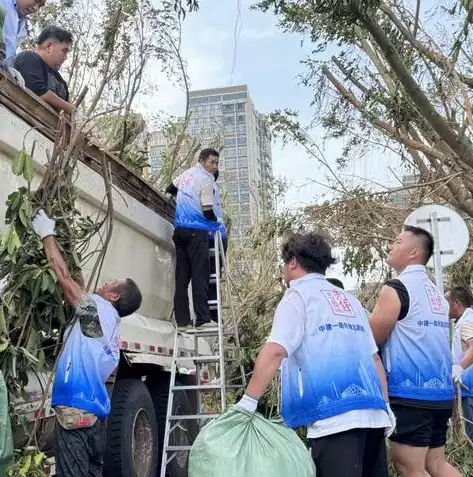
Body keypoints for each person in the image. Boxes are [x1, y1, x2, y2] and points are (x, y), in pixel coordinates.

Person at [236, 232, 395, 477]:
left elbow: (275, 350)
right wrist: (385, 405)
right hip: (373, 415)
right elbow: (374, 358)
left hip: (334, 419)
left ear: (293, 262)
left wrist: (248, 401)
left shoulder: (298, 296)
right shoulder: (349, 300)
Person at [31, 210, 143, 477]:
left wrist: (47, 235)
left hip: (75, 413)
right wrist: (66, 243)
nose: (105, 282)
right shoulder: (109, 324)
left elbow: (66, 281)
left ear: (114, 295)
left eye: (111, 283)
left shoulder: (97, 311)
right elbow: (79, 283)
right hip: (95, 419)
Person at [369, 225, 458, 477]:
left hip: (410, 394)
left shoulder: (396, 288)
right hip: (440, 394)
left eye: (397, 242)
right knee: (436, 465)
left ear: (414, 252)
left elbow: (368, 341)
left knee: (410, 469)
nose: (390, 246)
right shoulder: (436, 296)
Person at [166, 148, 222, 332]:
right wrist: (217, 221)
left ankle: (182, 321)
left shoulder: (186, 174)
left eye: (216, 163)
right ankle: (203, 318)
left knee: (182, 277)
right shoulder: (206, 180)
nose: (214, 166)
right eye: (211, 162)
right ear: (202, 160)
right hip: (197, 232)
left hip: (179, 231)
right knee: (200, 275)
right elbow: (207, 211)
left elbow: (169, 189)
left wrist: (184, 203)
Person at [12, 25, 75, 115]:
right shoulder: (28, 58)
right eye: (64, 51)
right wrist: (72, 110)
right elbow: (39, 92)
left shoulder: (61, 81)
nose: (65, 57)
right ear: (49, 46)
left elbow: (68, 108)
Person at [447, 286, 473, 441]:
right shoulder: (465, 319)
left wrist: (459, 367)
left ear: (456, 303)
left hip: (469, 386)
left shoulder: (467, 321)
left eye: (447, 302)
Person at [0, 0, 45, 86]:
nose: (35, 8)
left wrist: (7, 67)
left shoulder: (22, 26)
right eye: (36, 1)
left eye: (40, 5)